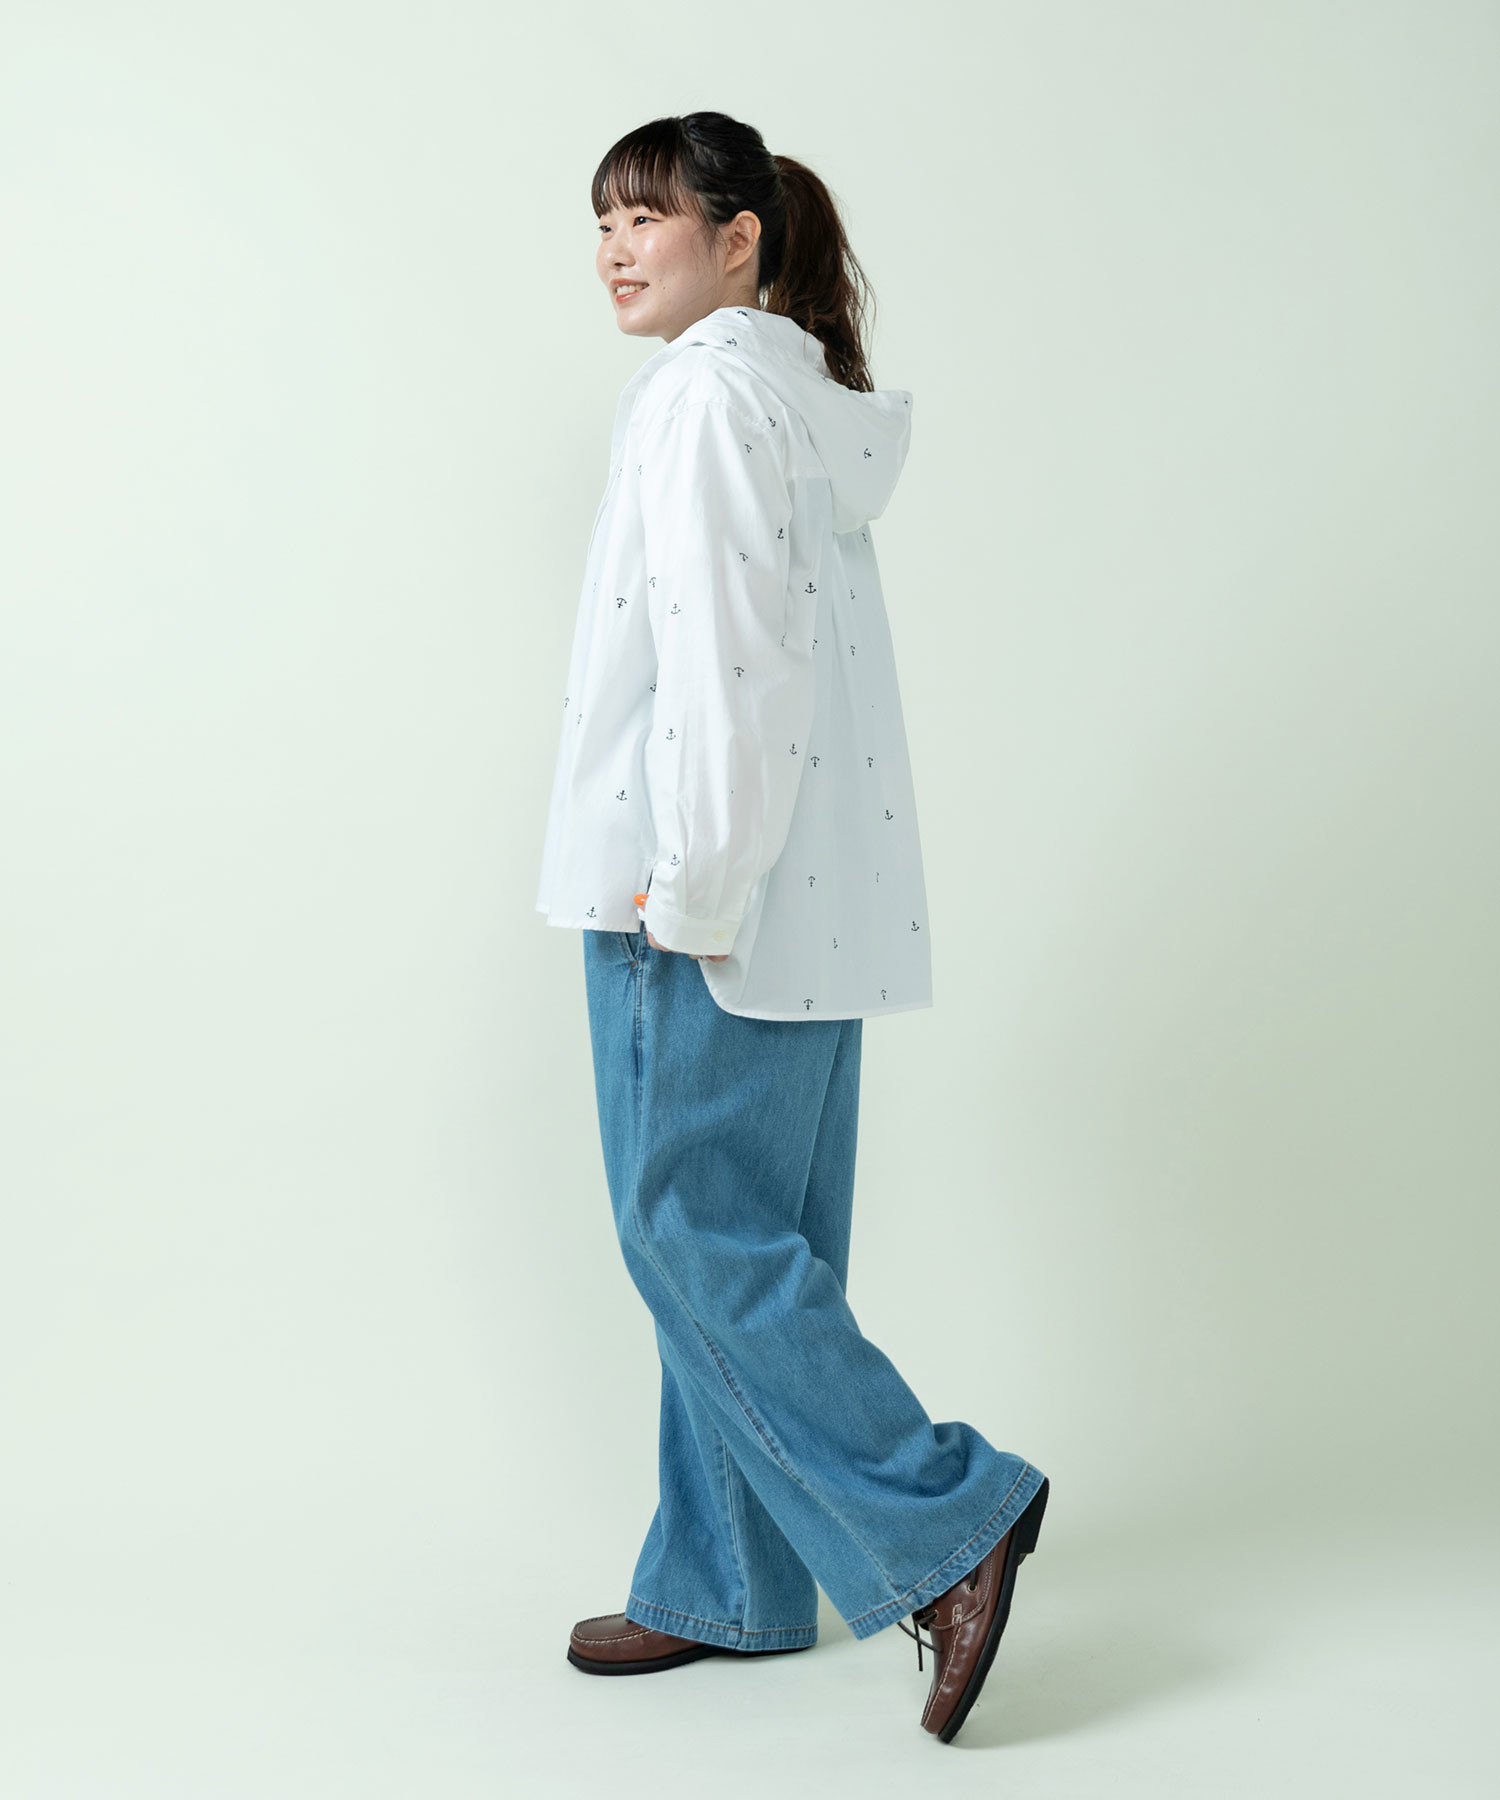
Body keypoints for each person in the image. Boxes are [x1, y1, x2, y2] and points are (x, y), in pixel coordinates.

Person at [534, 110, 1049, 1745]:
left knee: (691, 1235)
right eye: (601, 222)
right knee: (760, 1242)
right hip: (814, 901)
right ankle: (728, 1579)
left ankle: (945, 1521)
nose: (616, 250)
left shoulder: (700, 399)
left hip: (697, 894)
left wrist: (689, 889)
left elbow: (728, 668)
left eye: (648, 218)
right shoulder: (794, 399)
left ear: (738, 236)